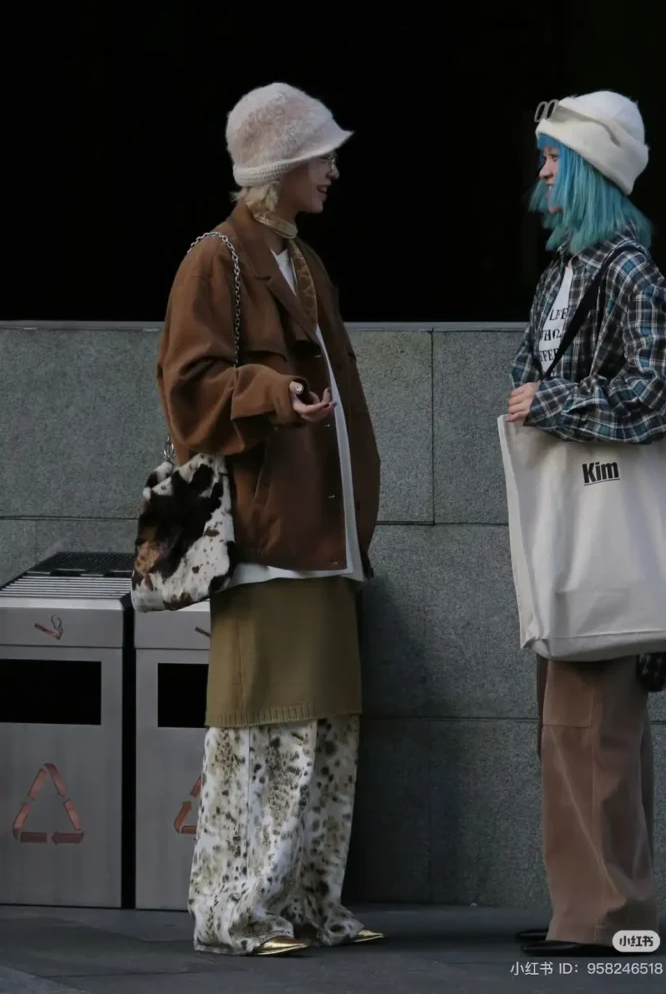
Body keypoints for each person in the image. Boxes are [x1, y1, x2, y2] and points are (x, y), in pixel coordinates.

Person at [156, 83, 382, 956]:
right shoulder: (214, 259)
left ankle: (309, 902)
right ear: (279, 168)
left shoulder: (302, 260)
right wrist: (269, 394)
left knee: (324, 725)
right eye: (321, 155)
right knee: (264, 728)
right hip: (266, 535)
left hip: (322, 532)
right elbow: (187, 388)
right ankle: (238, 911)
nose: (334, 169)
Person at [507, 91, 666, 957]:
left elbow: (658, 393)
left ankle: (608, 917)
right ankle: (586, 909)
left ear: (589, 172)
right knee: (570, 735)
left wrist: (555, 399)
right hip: (571, 536)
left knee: (596, 735)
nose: (540, 176)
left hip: (606, 541)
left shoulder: (629, 272)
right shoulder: (565, 271)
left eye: (551, 159)